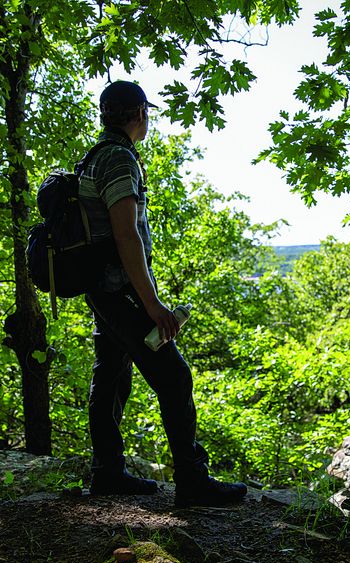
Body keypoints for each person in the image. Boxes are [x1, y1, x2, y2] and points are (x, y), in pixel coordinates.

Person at [78, 80, 247, 507]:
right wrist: (152, 304)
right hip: (120, 292)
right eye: (146, 113)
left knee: (112, 375)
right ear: (139, 115)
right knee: (174, 377)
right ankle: (192, 481)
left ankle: (107, 473)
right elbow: (126, 234)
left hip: (102, 290)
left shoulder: (95, 157)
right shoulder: (118, 159)